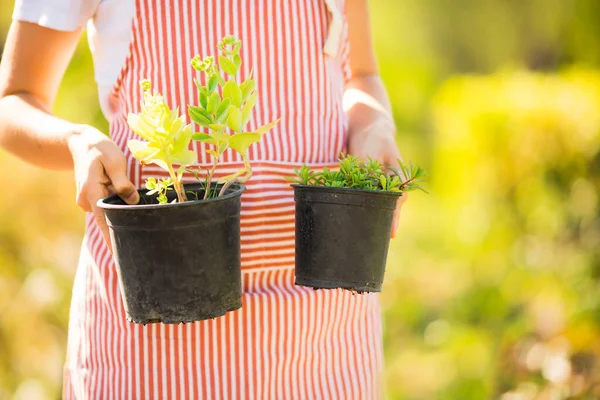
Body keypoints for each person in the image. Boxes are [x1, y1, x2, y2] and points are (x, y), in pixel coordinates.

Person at [0, 0, 406, 398]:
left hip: (325, 342)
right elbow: (15, 100)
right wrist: (77, 142)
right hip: (154, 345)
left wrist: (374, 127)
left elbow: (362, 75)